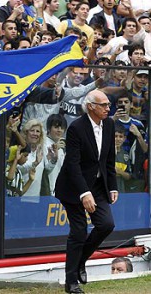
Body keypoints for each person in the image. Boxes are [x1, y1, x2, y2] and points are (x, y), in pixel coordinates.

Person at [55, 89, 118, 294]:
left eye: (108, 104)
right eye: (104, 105)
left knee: (106, 224)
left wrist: (113, 186)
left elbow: (108, 159)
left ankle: (80, 260)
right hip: (73, 188)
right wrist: (84, 193)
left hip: (98, 185)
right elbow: (72, 164)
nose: (108, 108)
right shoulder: (76, 128)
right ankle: (71, 282)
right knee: (79, 231)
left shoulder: (109, 124)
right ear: (91, 106)